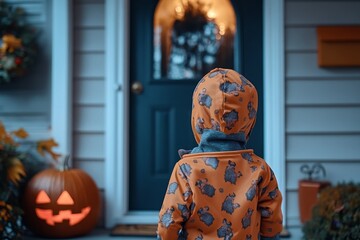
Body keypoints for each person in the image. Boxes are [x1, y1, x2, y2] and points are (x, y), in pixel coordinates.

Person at [157, 68, 283, 240]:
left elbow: (168, 223)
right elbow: (272, 221)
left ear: (198, 117)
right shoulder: (260, 169)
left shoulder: (186, 169)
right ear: (249, 119)